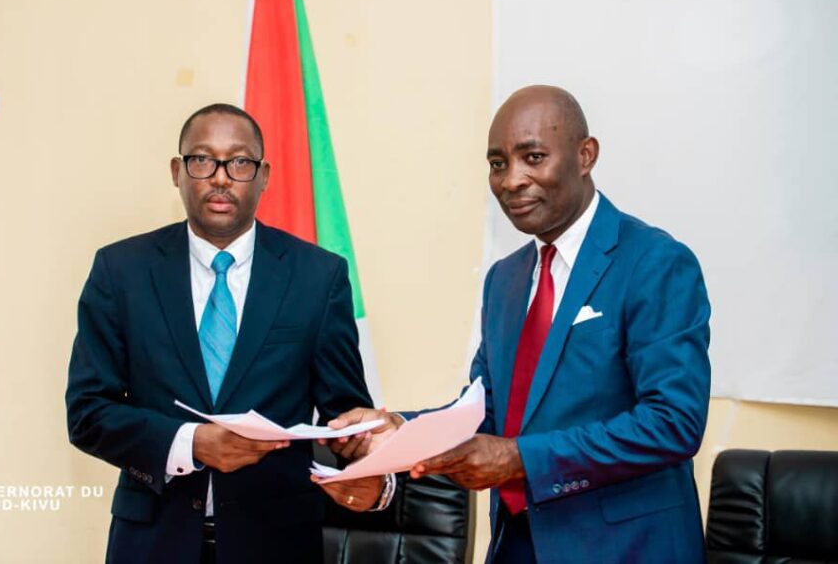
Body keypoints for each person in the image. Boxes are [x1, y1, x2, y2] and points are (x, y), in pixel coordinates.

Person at [327, 86, 712, 563]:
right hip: (518, 544)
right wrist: (396, 428)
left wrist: (520, 459)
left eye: (533, 157)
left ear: (586, 155)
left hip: (627, 549)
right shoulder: (504, 280)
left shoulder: (654, 262)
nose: (511, 180)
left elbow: (673, 422)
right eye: (498, 163)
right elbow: (484, 410)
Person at [65, 103, 387, 564]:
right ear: (177, 172)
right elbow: (88, 412)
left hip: (276, 544)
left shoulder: (318, 277)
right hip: (152, 543)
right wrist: (191, 443)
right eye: (202, 160)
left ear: (264, 176)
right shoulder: (121, 272)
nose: (220, 178)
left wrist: (372, 468)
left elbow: (344, 417)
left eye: (239, 162)